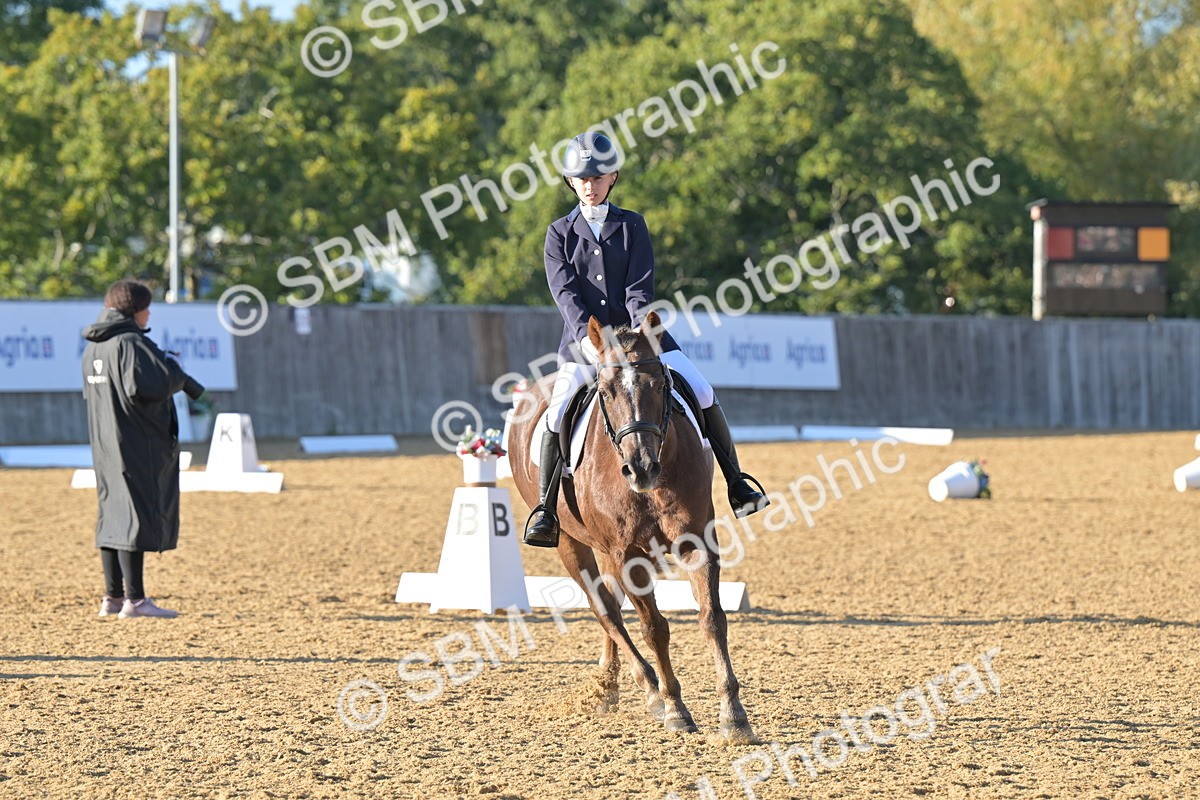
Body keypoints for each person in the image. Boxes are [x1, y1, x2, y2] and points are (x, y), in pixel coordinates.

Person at [523, 131, 768, 548]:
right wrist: (591, 340)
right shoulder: (558, 233)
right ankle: (547, 509)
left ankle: (737, 483)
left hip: (641, 340)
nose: (590, 184)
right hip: (587, 344)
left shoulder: (631, 224)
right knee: (556, 410)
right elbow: (565, 295)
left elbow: (640, 288)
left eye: (598, 177)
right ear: (571, 181)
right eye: (582, 178)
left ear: (613, 176)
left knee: (703, 390)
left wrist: (638, 332)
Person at [82, 279, 206, 618]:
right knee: (134, 517)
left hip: (106, 444)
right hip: (135, 443)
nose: (149, 313)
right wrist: (174, 372)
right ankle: (136, 601)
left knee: (112, 516)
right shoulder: (129, 343)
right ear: (133, 310)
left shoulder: (95, 347)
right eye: (146, 307)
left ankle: (113, 598)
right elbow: (148, 386)